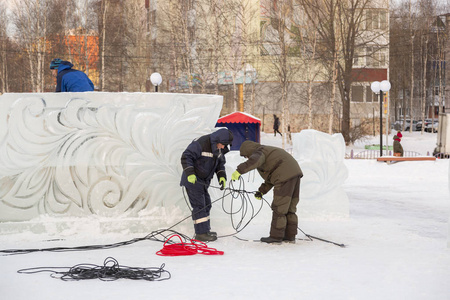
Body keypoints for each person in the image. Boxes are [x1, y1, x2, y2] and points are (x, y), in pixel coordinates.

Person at [231, 141, 303, 244]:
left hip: (284, 176)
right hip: (294, 174)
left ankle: (276, 237)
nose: (247, 158)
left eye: (246, 156)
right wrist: (261, 191)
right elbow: (271, 177)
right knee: (290, 208)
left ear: (249, 151)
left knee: (279, 208)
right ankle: (289, 236)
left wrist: (239, 171)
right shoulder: (268, 153)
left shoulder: (259, 152)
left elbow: (253, 161)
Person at [180, 128, 233, 242]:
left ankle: (205, 230)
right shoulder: (201, 143)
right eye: (223, 144)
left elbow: (220, 164)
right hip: (193, 180)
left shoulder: (218, 149)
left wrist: (222, 176)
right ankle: (201, 233)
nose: (223, 147)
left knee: (207, 205)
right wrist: (190, 173)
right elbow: (186, 156)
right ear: (217, 140)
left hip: (203, 182)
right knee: (199, 206)